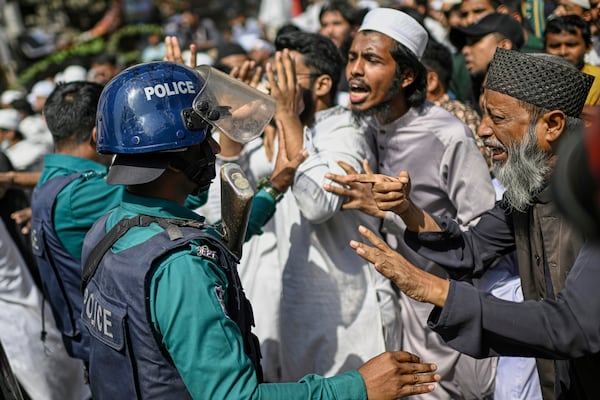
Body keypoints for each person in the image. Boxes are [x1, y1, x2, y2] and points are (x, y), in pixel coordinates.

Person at [80, 60, 440, 399]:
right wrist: (357, 387)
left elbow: (215, 239)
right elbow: (237, 396)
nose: (216, 147)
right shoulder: (182, 270)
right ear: (175, 159)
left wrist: (276, 185)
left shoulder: (110, 228)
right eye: (205, 139)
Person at [343, 49, 595, 399]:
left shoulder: (592, 197)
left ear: (551, 125)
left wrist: (433, 289)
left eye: (498, 117)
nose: (482, 129)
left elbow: (572, 324)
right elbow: (472, 249)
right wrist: (405, 209)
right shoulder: (529, 189)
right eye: (483, 114)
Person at [324, 7, 497, 400]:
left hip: (446, 321)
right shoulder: (362, 126)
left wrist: (392, 211)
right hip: (388, 317)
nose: (354, 70)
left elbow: (485, 238)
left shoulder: (446, 135)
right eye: (352, 57)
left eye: (370, 60)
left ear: (406, 75)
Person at [268, 31, 403, 382]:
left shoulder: (346, 133)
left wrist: (285, 114)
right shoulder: (294, 128)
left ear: (323, 84)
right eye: (274, 74)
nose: (276, 87)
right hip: (303, 312)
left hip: (355, 324)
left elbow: (317, 202)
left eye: (286, 76)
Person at [543, 14, 600, 121]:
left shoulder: (598, 79)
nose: (563, 52)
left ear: (588, 46)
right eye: (555, 46)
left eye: (571, 45)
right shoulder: (536, 79)